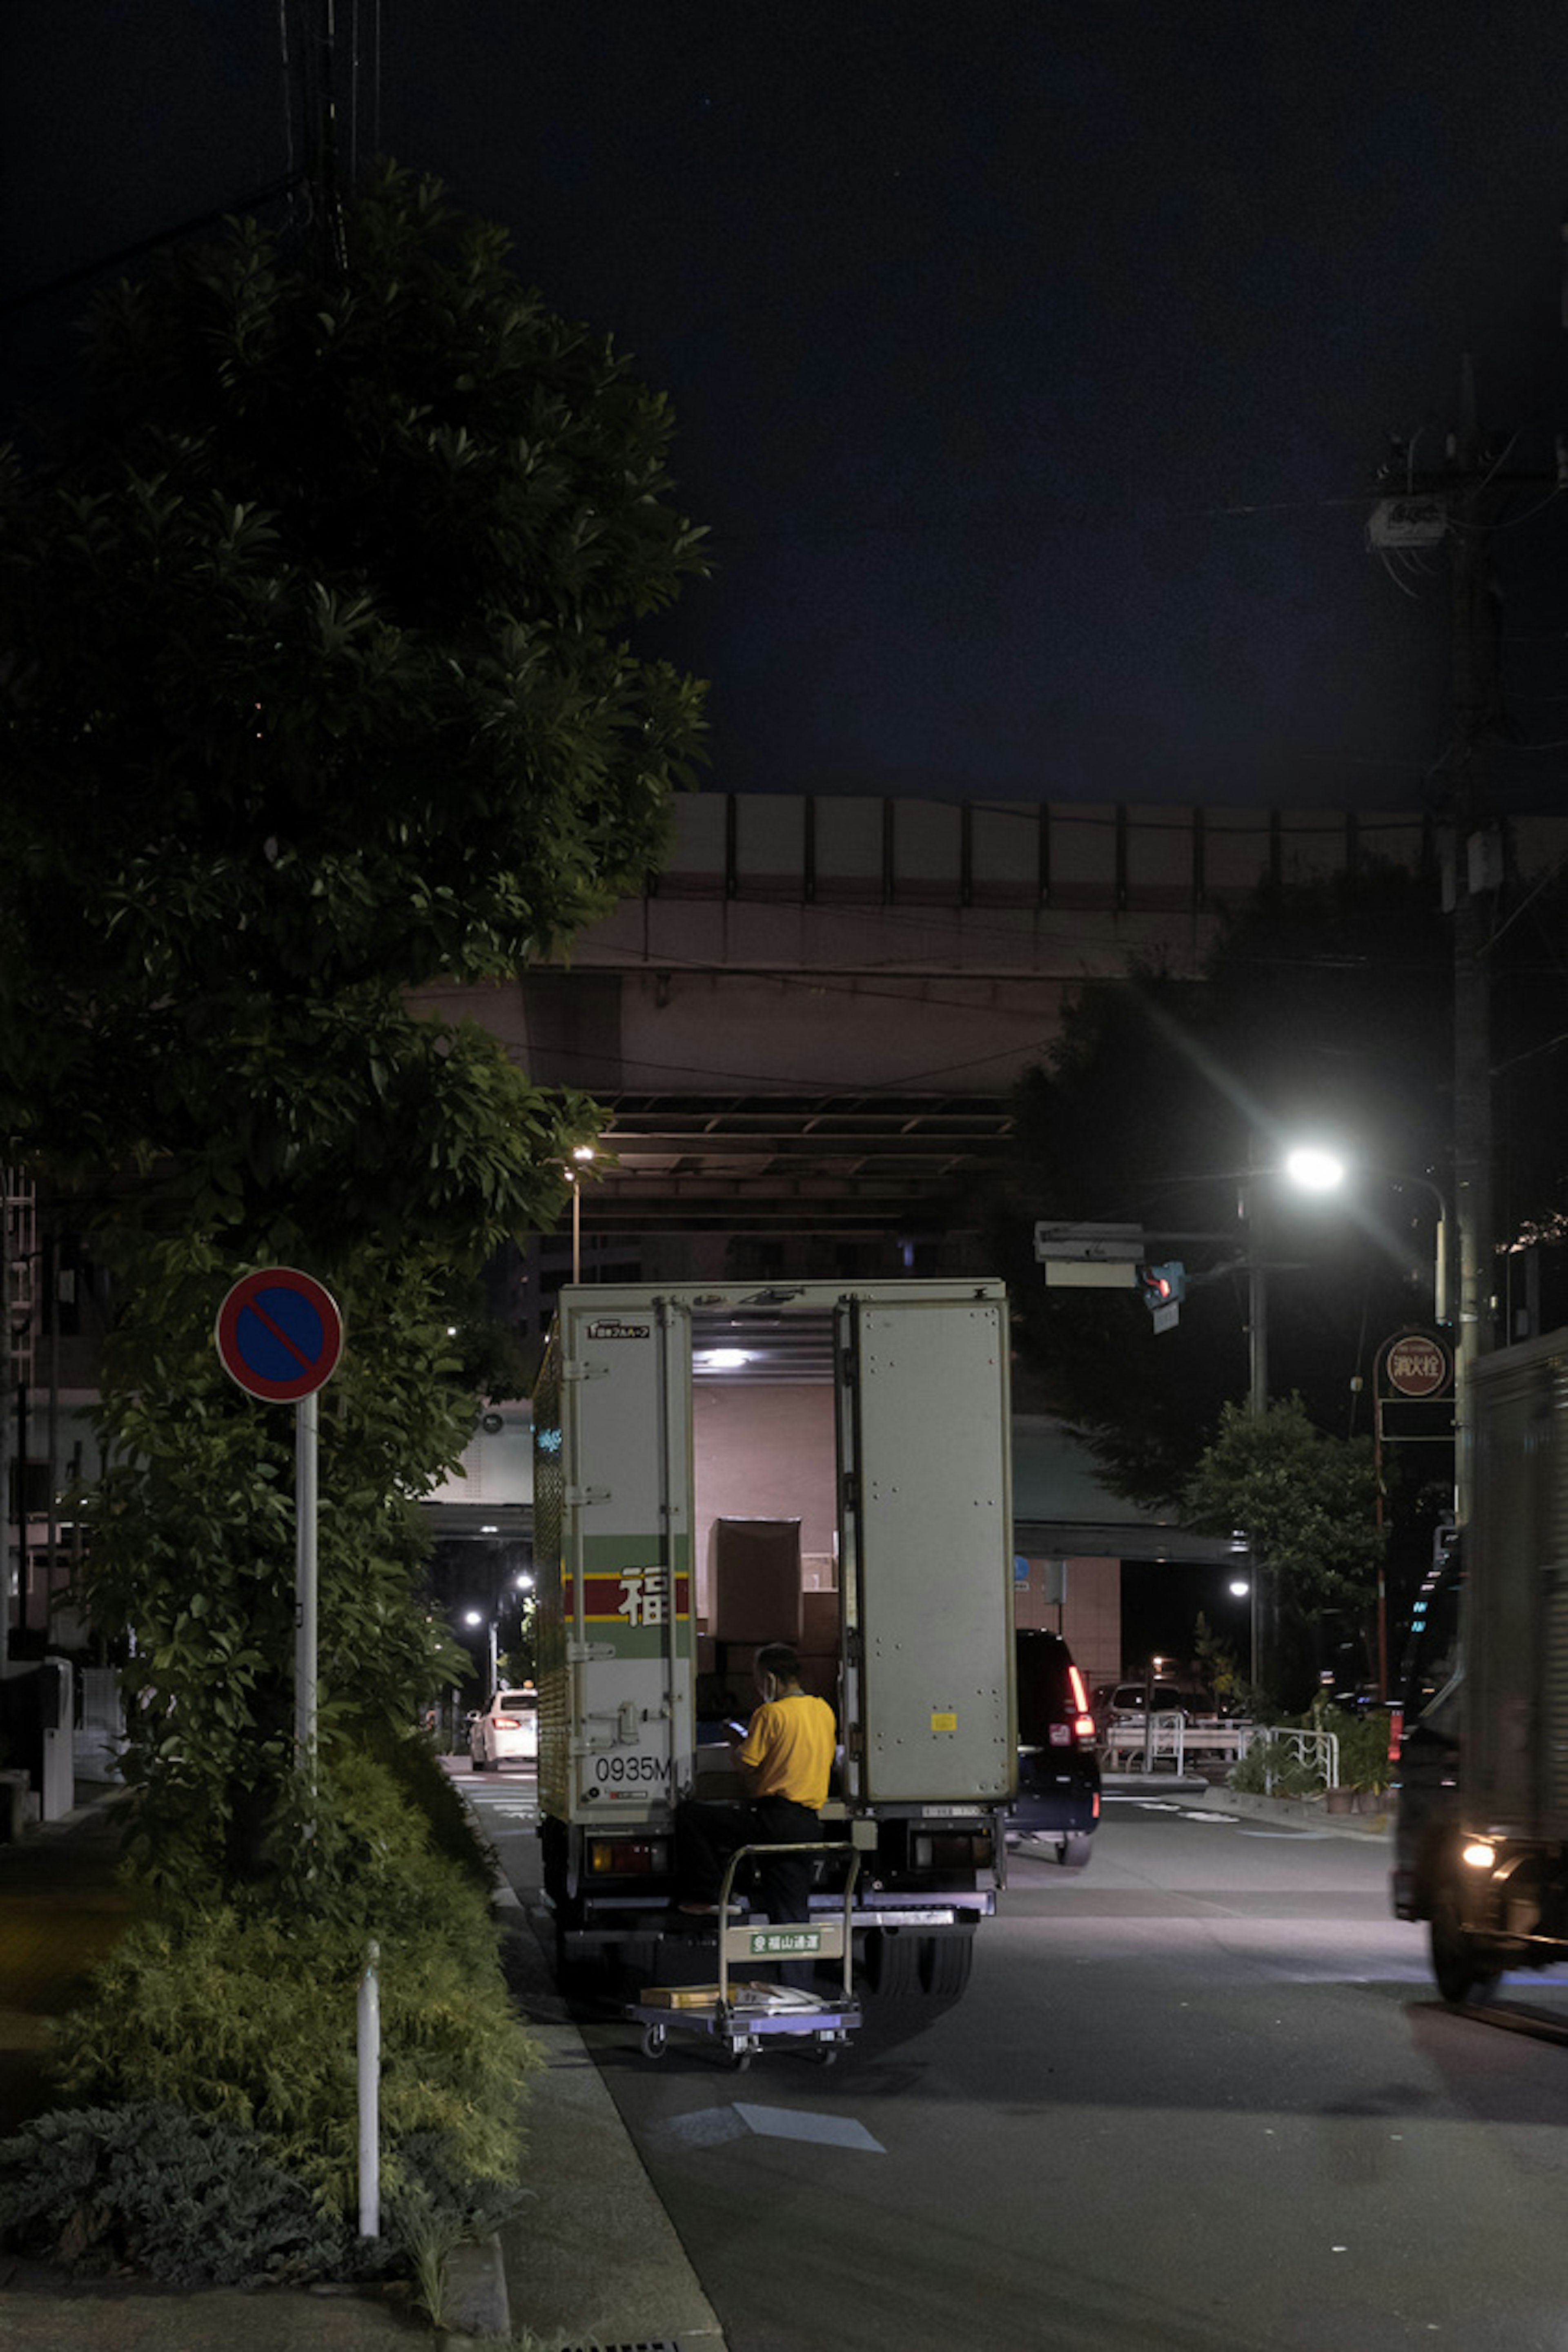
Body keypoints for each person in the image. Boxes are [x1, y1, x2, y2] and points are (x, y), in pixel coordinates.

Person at [675, 1642, 836, 1928]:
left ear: (770, 1679)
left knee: (690, 1815)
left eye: (758, 1680)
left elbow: (747, 1763)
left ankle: (710, 1894)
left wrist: (736, 1741)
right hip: (808, 1824)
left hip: (773, 1821)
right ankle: (796, 1971)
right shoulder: (823, 1710)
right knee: (791, 1915)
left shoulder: (770, 1714)